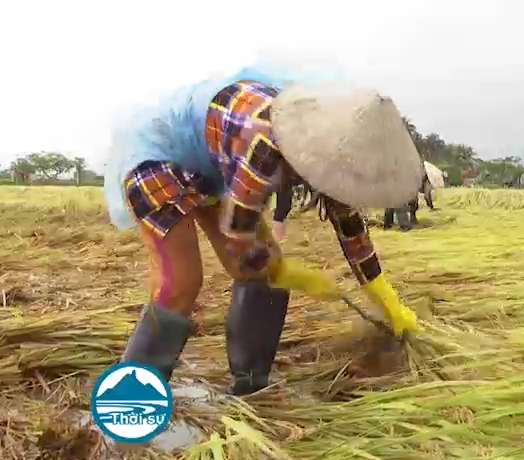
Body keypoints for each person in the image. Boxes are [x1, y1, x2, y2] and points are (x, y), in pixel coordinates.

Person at [103, 66, 424, 396]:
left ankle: (251, 387)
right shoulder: (264, 143)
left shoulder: (337, 154)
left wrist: (385, 298)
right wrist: (288, 272)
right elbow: (237, 236)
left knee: (260, 271)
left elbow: (351, 227)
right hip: (159, 155)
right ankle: (129, 403)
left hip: (211, 161)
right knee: (181, 283)